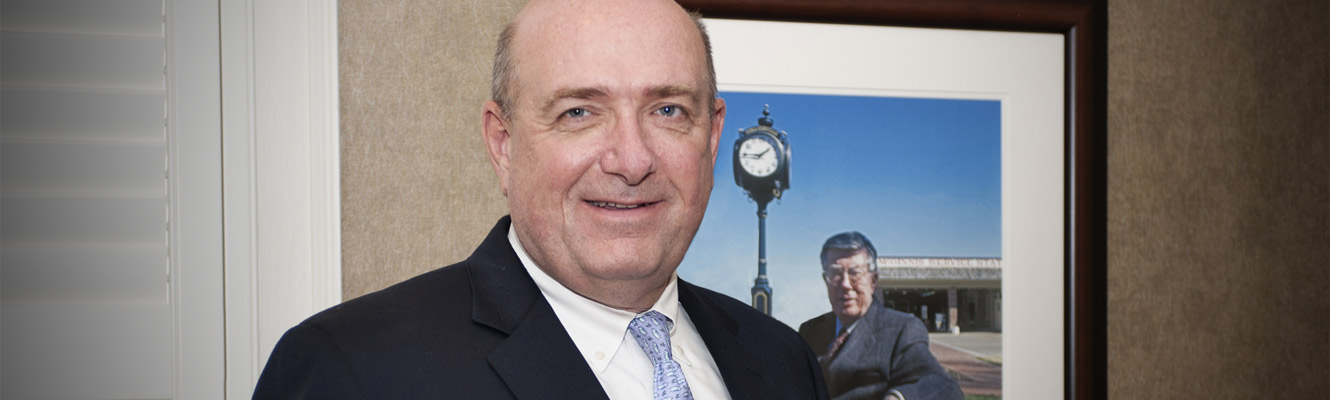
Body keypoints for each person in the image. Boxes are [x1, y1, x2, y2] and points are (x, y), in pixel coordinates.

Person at [252, 1, 828, 399]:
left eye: (668, 110)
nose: (631, 159)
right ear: (503, 144)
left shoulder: (781, 361)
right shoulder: (353, 372)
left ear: (711, 135)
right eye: (579, 112)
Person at [798, 232, 962, 400]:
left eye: (855, 273)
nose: (845, 284)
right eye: (835, 274)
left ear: (873, 280)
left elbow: (943, 387)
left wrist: (898, 398)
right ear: (825, 280)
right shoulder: (810, 330)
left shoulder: (901, 329)